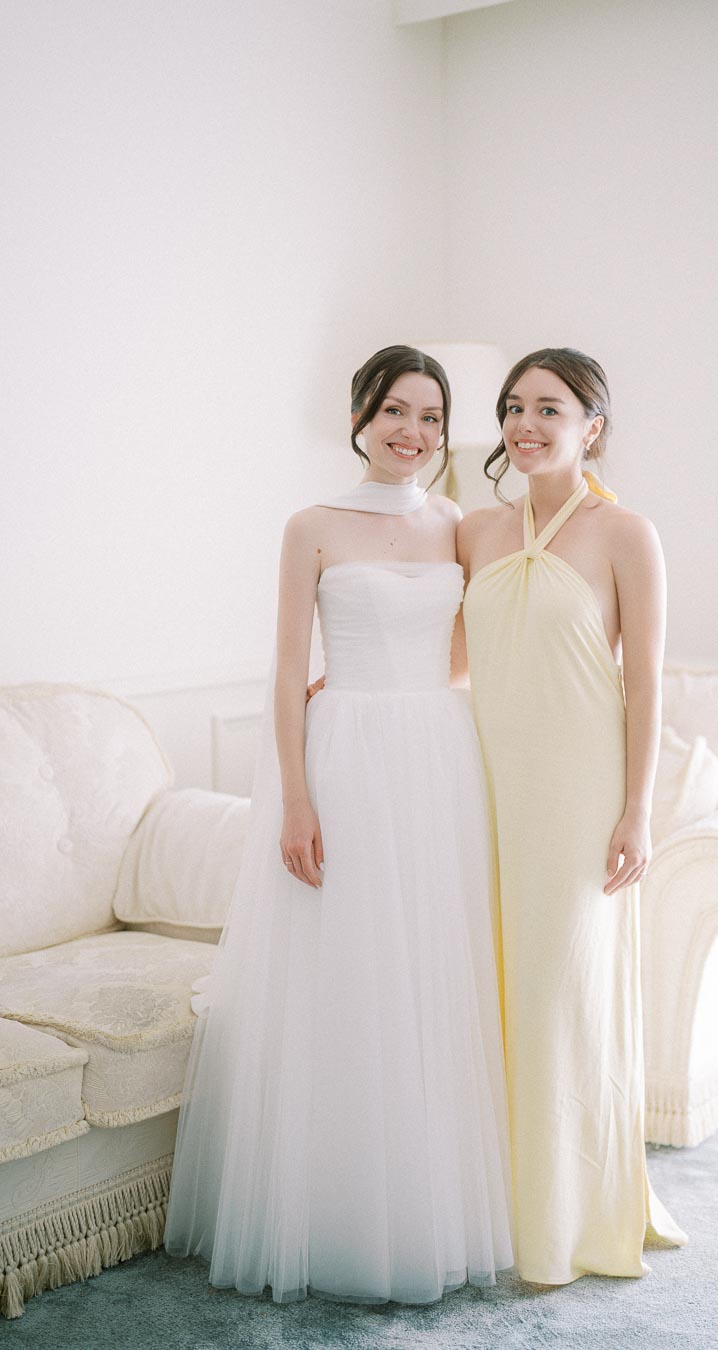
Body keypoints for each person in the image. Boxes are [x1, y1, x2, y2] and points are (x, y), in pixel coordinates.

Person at [164, 345, 512, 1305]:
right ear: (360, 416)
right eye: (397, 411)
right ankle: (333, 1213)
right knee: (347, 968)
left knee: (427, 970)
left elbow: (465, 653)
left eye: (433, 418)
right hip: (342, 757)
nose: (415, 433)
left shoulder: (457, 524)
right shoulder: (311, 524)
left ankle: (425, 1201)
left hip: (436, 757)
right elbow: (283, 669)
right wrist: (298, 794)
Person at [457, 347, 687, 1284]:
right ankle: (494, 1206)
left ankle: (566, 1224)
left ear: (591, 425)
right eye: (514, 406)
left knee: (558, 998)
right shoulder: (473, 530)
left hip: (577, 793)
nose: (526, 423)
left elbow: (646, 687)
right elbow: (451, 660)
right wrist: (334, 688)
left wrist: (636, 810)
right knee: (490, 993)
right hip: (483, 782)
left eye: (549, 408)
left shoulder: (625, 533)